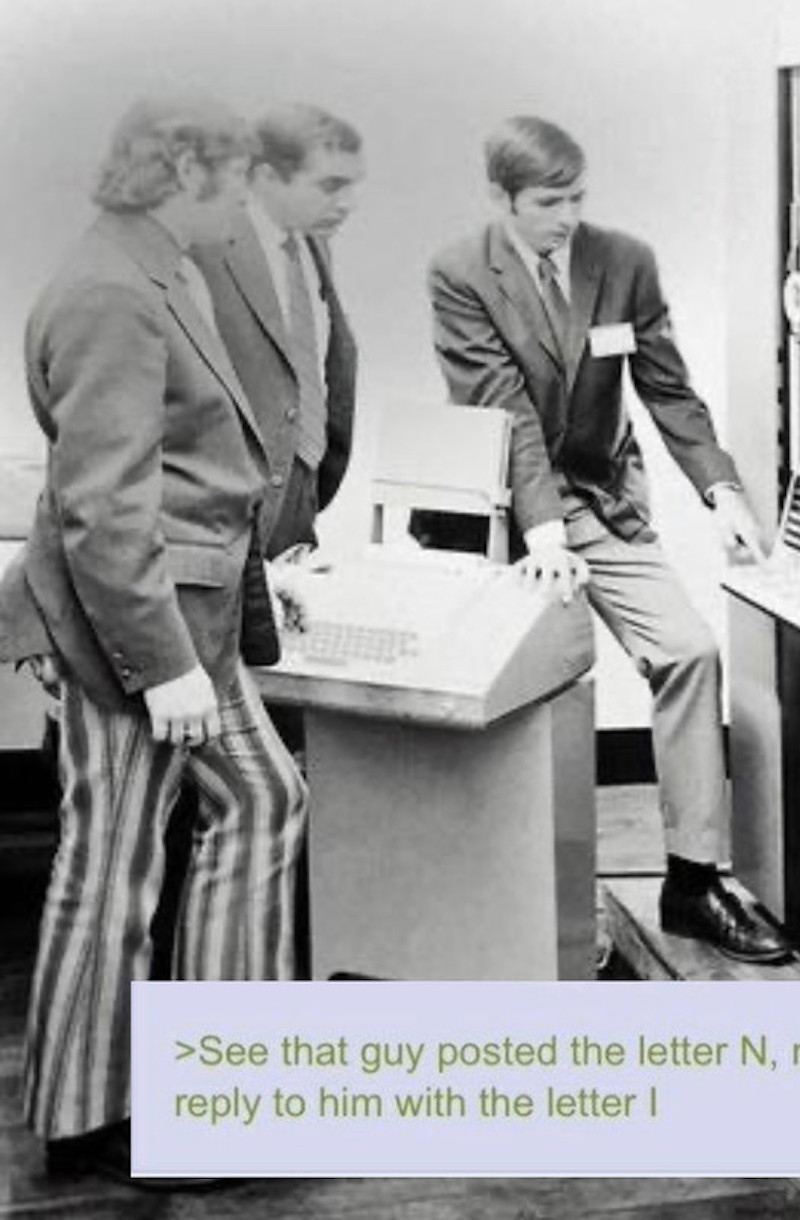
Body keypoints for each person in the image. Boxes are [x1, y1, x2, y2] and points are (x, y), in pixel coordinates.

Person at [0, 95, 308, 1189]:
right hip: (139, 634)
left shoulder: (157, 269)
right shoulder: (111, 291)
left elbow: (184, 473)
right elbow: (103, 504)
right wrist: (164, 665)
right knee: (114, 858)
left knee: (263, 799)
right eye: (235, 176)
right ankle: (89, 1115)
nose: (246, 199)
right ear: (182, 171)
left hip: (186, 617)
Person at [428, 115, 790, 964]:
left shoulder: (624, 261)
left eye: (577, 199)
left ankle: (693, 883)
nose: (567, 218)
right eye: (547, 203)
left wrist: (721, 490)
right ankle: (491, 907)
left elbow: (669, 390)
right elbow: (504, 412)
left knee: (689, 651)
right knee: (515, 698)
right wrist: (544, 532)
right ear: (501, 197)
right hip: (504, 506)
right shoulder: (459, 273)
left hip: (601, 500)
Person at [192, 103, 363, 560]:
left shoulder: (314, 245)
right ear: (265, 177)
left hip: (300, 502)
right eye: (330, 186)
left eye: (352, 186)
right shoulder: (205, 245)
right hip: (227, 521)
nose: (349, 203)